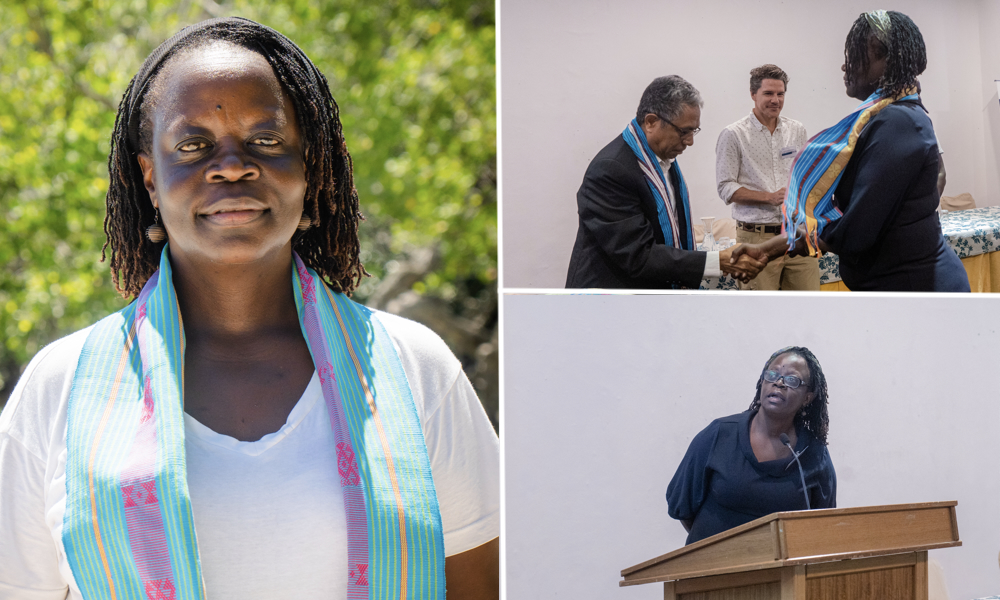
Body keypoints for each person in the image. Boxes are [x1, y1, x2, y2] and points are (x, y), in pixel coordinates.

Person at [0, 17, 499, 600]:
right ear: (150, 179)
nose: (231, 165)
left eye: (266, 140)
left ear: (308, 166)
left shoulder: (414, 367)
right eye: (193, 145)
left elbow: (483, 586)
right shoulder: (61, 384)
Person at [733, 11, 969, 292]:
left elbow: (858, 230)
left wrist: (776, 247)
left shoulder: (898, 122)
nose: (845, 66)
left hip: (915, 289)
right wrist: (772, 248)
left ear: (886, 59)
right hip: (902, 288)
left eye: (855, 54)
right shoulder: (890, 116)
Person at [565, 75, 766, 289]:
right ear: (651, 122)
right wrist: (718, 262)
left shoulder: (664, 163)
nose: (690, 141)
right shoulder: (611, 170)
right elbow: (638, 255)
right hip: (608, 304)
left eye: (694, 130)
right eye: (684, 131)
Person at [666, 347, 836, 545]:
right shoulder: (720, 434)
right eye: (772, 374)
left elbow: (822, 528)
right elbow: (682, 507)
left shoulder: (814, 455)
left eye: (791, 380)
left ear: (808, 397)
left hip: (777, 574)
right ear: (762, 382)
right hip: (711, 566)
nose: (778, 383)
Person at [716, 65, 819, 290]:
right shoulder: (733, 134)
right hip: (755, 239)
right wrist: (769, 198)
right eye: (768, 94)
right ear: (753, 95)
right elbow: (725, 187)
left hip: (796, 235)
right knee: (759, 314)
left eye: (780, 94)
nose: (775, 100)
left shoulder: (797, 129)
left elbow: (803, 175)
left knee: (809, 309)